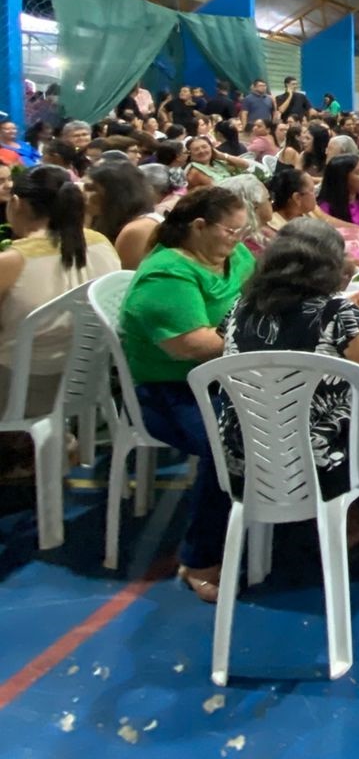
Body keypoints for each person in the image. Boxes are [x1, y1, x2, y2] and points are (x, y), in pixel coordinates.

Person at [218, 219, 359, 547]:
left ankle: (349, 517)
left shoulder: (240, 308)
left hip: (244, 461)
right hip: (318, 466)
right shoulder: (334, 313)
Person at [118, 187, 253, 601]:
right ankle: (199, 557)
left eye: (242, 231)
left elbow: (258, 291)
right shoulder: (166, 275)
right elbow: (193, 345)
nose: (238, 239)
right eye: (231, 231)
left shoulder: (232, 255)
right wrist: (266, 332)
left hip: (228, 375)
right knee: (230, 440)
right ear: (198, 227)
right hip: (169, 391)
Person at [0, 166, 121, 476]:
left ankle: (23, 446)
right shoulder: (101, 244)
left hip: (24, 387)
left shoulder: (14, 260)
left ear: (17, 203)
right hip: (88, 378)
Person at [83, 161, 161, 271]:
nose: (84, 195)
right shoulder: (102, 219)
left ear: (115, 193)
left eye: (92, 189)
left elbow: (120, 278)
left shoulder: (137, 229)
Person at [267, 165, 320, 230]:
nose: (316, 195)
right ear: (297, 198)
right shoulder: (274, 228)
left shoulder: (307, 213)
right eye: (312, 190)